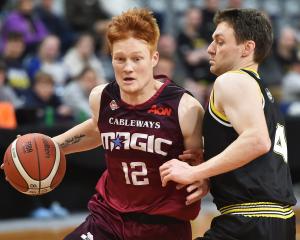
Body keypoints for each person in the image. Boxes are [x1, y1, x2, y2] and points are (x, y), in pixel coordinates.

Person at [1, 8, 208, 240]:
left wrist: (203, 178)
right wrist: (46, 146)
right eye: (119, 59)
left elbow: (201, 163)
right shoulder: (102, 97)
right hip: (108, 217)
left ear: (154, 59)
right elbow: (97, 129)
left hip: (163, 225)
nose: (127, 67)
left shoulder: (185, 108)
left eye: (136, 58)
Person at [160, 8, 296, 240]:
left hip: (250, 221)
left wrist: (195, 172)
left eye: (220, 42)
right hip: (277, 220)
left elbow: (257, 141)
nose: (210, 48)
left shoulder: (231, 80)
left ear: (247, 48)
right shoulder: (259, 89)